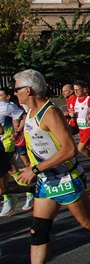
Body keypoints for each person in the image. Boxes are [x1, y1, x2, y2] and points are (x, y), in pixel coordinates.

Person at [14, 69, 90, 264]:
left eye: (15, 89)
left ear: (28, 90)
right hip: (46, 180)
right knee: (38, 231)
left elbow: (69, 150)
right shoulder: (29, 113)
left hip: (65, 177)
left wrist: (34, 169)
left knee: (88, 222)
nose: (13, 93)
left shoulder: (49, 113)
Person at [0, 87, 31, 216]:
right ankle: (29, 193)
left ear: (7, 97)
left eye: (1, 95)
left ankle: (10, 198)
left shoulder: (7, 106)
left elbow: (24, 116)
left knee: (8, 173)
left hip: (5, 142)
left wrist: (17, 132)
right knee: (12, 171)